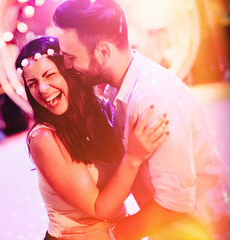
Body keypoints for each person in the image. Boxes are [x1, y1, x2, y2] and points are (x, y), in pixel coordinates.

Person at [52, 0, 230, 239]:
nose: (67, 65)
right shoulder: (118, 87)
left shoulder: (153, 101)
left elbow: (175, 202)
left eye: (71, 56)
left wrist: (112, 234)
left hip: (200, 227)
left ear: (103, 52)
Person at [15, 36, 170, 239]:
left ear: (69, 73)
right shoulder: (44, 138)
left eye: (50, 75)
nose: (42, 89)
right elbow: (99, 208)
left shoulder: (101, 109)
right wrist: (133, 158)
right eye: (32, 83)